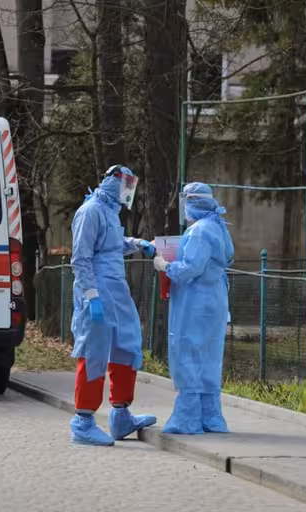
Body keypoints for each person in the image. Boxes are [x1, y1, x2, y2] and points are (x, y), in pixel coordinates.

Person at [69, 165, 157, 446]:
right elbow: (81, 258)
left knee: (127, 344)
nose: (128, 191)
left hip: (117, 290)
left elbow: (112, 245)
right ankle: (83, 422)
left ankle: (121, 415)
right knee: (94, 352)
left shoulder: (109, 212)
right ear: (113, 182)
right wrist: (91, 296)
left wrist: (138, 244)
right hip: (97, 290)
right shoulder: (90, 211)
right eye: (125, 185)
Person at [153, 182, 234, 434]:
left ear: (191, 203)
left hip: (195, 303)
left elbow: (190, 268)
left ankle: (187, 419)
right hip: (215, 300)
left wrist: (165, 266)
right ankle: (211, 417)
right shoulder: (218, 227)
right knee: (209, 357)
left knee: (188, 353)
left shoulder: (199, 230)